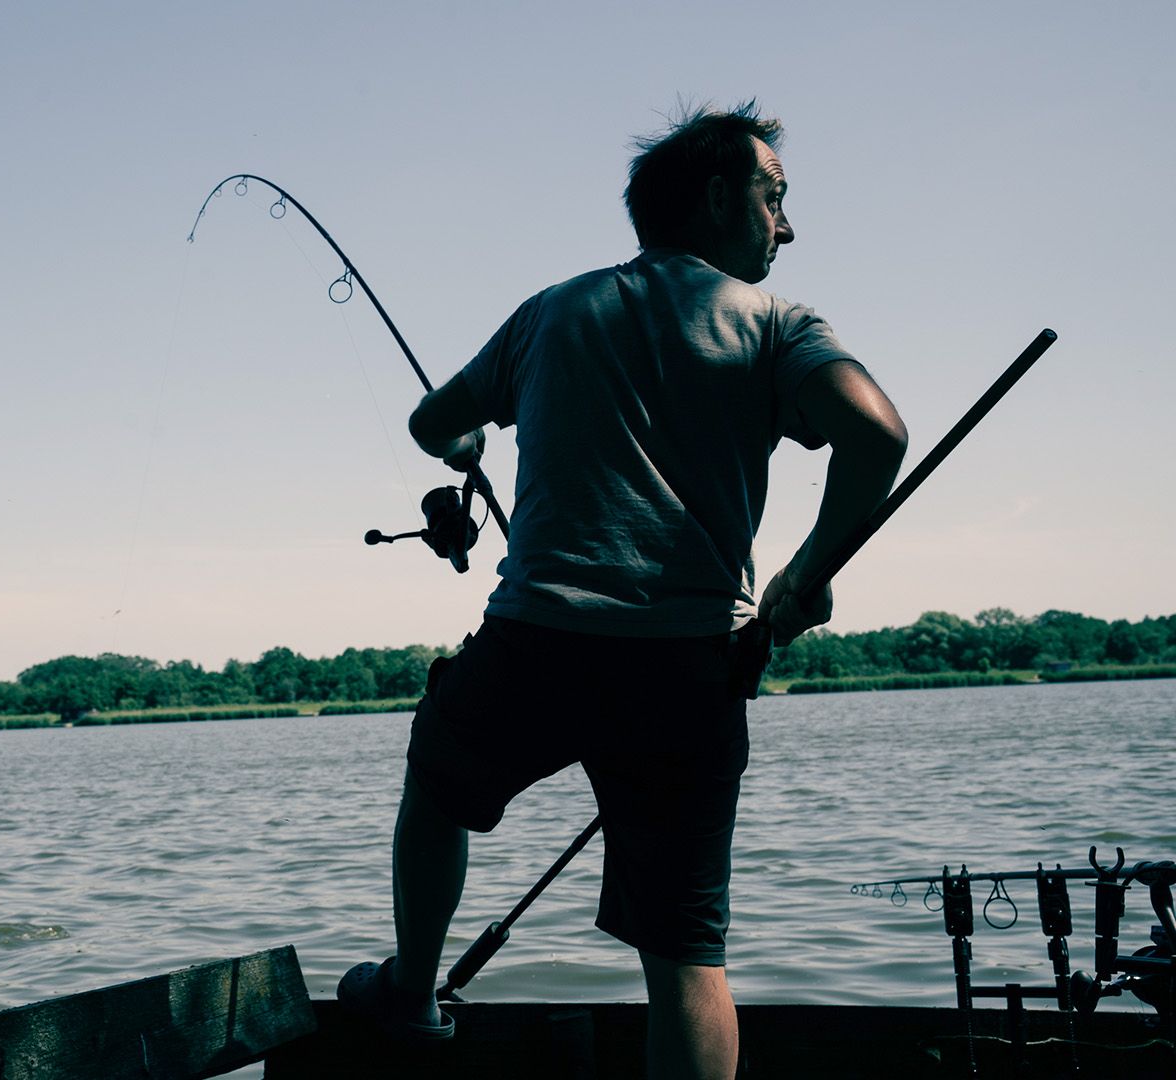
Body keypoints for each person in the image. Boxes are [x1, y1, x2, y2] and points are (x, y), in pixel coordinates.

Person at [336, 103, 909, 1078]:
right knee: (686, 957)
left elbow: (433, 422)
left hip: (536, 648)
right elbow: (878, 434)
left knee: (436, 786)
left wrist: (471, 441)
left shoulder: (554, 310)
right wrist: (806, 576)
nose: (788, 225)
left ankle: (414, 991)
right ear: (722, 196)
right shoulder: (779, 325)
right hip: (690, 668)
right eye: (777, 200)